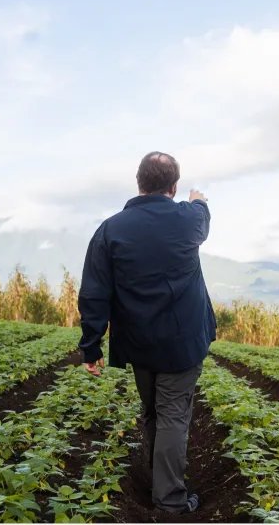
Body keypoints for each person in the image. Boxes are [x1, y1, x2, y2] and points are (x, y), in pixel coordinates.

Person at [77, 151, 216, 515]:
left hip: (138, 342)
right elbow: (202, 213)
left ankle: (160, 480)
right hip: (183, 340)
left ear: (139, 183)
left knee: (153, 410)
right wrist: (197, 199)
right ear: (173, 186)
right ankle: (170, 502)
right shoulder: (188, 219)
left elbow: (94, 292)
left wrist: (91, 346)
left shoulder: (111, 229)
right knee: (172, 415)